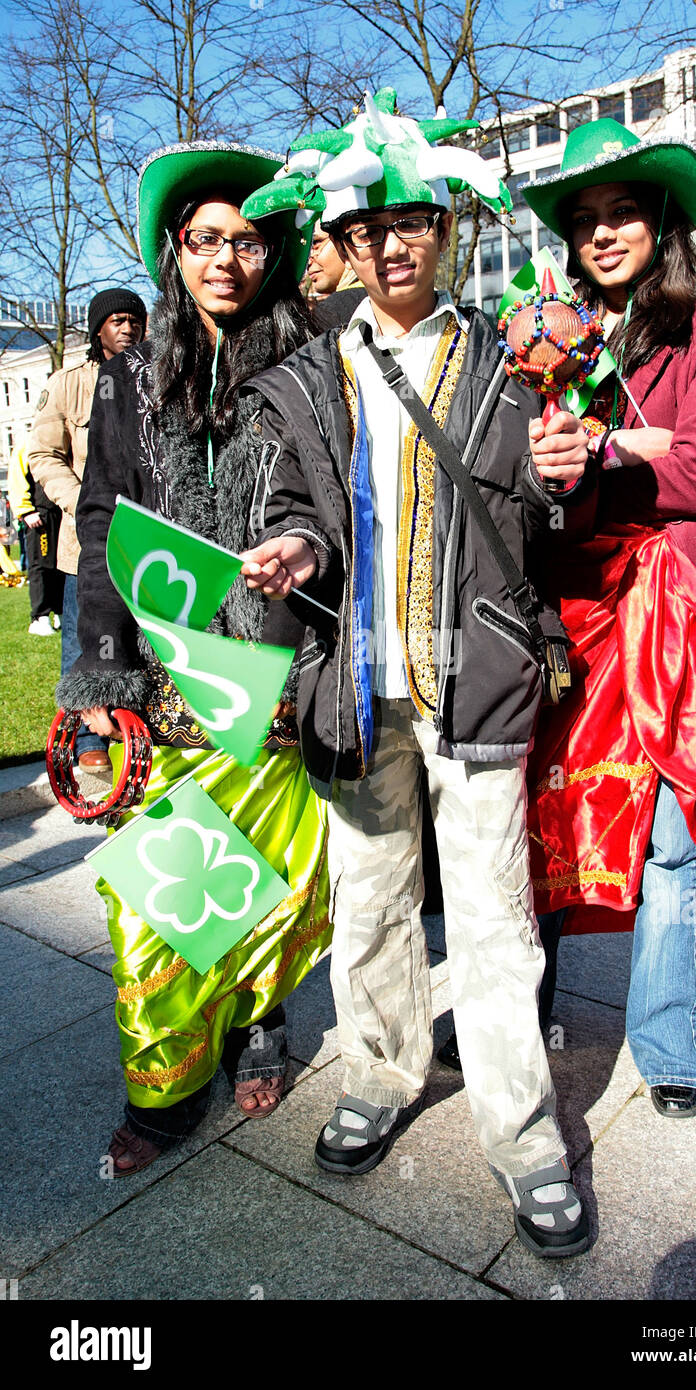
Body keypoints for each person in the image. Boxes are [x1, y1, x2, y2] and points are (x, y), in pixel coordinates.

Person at [239, 89, 591, 1259]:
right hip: (354, 677)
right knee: (371, 901)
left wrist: (558, 468)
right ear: (339, 244)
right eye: (366, 227)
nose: (390, 242)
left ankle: (526, 1136)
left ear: (448, 229)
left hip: (476, 670)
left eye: (413, 219)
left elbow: (540, 512)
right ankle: (384, 1073)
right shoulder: (312, 376)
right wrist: (293, 545)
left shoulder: (508, 364)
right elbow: (300, 508)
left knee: (493, 918)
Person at [56, 141, 332, 1175]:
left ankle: (260, 1027)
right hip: (170, 689)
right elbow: (99, 524)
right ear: (174, 250)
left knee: (267, 882)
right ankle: (163, 1085)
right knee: (157, 899)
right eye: (206, 239)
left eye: (247, 240)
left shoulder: (312, 364)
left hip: (274, 677)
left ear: (271, 252)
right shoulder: (125, 378)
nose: (226, 259)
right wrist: (97, 677)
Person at [517, 117, 696, 1120]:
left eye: (621, 212)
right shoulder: (544, 332)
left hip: (668, 606)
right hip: (570, 603)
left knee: (670, 831)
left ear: (659, 220)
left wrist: (604, 442)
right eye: (584, 221)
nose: (601, 233)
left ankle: (669, 1039)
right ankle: (519, 1013)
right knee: (548, 812)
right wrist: (614, 448)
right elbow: (544, 486)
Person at [28, 288, 147, 772]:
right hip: (87, 544)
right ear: (97, 329)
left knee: (139, 641)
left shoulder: (159, 375)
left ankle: (139, 724)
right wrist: (84, 503)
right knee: (85, 640)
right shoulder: (68, 384)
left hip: (147, 542)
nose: (128, 328)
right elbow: (41, 453)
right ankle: (85, 740)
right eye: (117, 320)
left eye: (135, 320)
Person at [6, 440, 63, 634]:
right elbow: (16, 478)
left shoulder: (55, 441)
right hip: (39, 515)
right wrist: (25, 510)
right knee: (41, 565)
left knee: (60, 565)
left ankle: (60, 612)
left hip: (57, 512)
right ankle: (39, 617)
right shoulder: (27, 444)